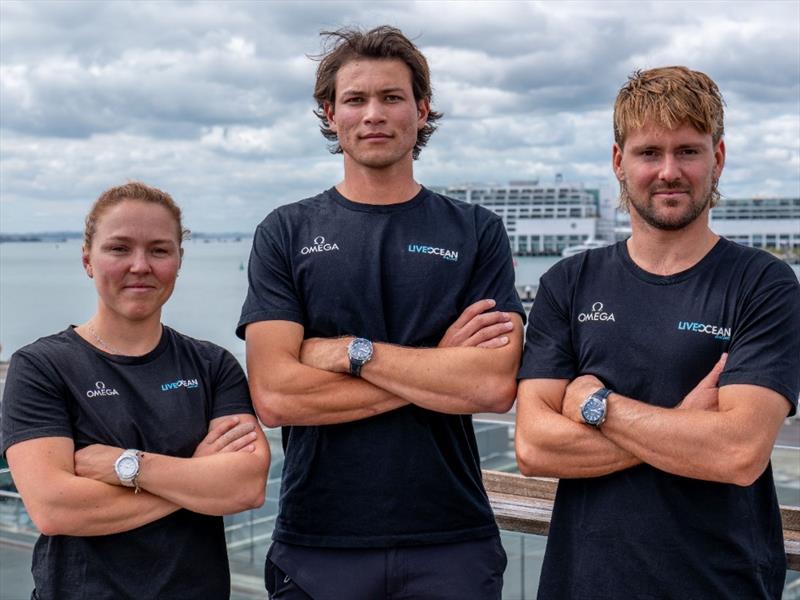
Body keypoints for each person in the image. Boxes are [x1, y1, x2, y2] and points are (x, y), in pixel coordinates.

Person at [238, 26, 524, 599]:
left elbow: (492, 386)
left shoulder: (474, 231)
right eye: (355, 99)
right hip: (318, 540)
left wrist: (345, 353)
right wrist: (439, 366)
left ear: (421, 111)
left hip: (452, 539)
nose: (374, 114)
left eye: (392, 98)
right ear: (329, 114)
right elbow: (275, 396)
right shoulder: (286, 232)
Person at [515, 66, 800, 599]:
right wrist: (685, 428)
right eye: (649, 153)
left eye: (687, 151)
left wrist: (598, 405)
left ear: (717, 158)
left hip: (720, 584)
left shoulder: (763, 283)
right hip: (581, 584)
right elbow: (534, 447)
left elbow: (738, 454)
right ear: (619, 162)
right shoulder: (568, 282)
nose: (669, 171)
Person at [1, 182, 270, 600]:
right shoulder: (42, 367)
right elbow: (54, 508)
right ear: (88, 259)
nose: (140, 265)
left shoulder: (213, 366)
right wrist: (196, 479)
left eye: (159, 250)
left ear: (179, 261)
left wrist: (126, 466)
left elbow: (246, 487)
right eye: (120, 248)